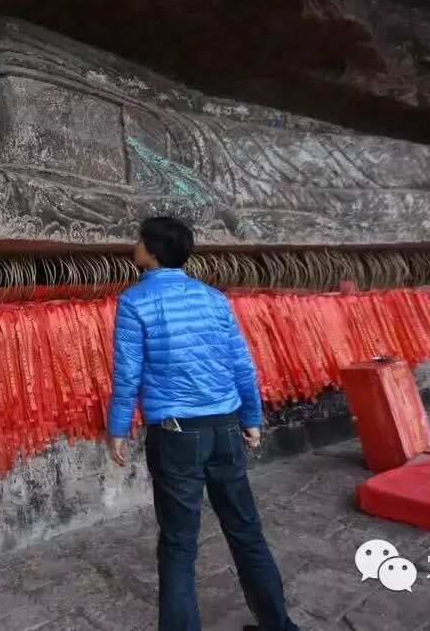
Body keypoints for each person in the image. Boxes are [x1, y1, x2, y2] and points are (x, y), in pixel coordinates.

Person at [107, 216, 299, 631]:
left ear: (151, 252)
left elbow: (127, 374)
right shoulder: (213, 299)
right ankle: (279, 626)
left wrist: (118, 429)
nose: (134, 245)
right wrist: (251, 418)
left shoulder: (135, 301)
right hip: (225, 427)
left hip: (176, 434)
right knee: (246, 530)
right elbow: (242, 365)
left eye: (139, 240)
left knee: (179, 544)